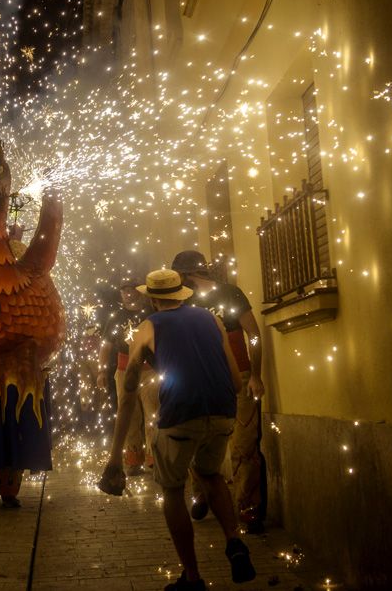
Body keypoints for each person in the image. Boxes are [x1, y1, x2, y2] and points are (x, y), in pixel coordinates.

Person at [99, 269, 255, 591]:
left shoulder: (148, 327)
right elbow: (237, 381)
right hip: (223, 411)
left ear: (153, 299)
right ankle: (234, 542)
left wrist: (114, 458)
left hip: (182, 414)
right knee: (211, 476)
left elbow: (128, 396)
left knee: (173, 490)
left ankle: (193, 577)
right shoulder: (212, 319)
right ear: (183, 293)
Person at [172, 250, 267, 533]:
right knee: (196, 441)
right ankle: (201, 494)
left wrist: (256, 375)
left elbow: (253, 334)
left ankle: (246, 507)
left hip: (239, 376)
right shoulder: (183, 302)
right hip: (202, 382)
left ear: (188, 275)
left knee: (244, 444)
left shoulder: (230, 294)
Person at [96, 282, 158, 475]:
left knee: (153, 414)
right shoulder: (116, 317)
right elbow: (105, 345)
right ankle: (133, 459)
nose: (127, 294)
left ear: (139, 292)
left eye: (131, 290)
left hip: (150, 370)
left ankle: (154, 458)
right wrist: (102, 372)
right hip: (124, 369)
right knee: (129, 415)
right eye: (123, 291)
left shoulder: (151, 314)